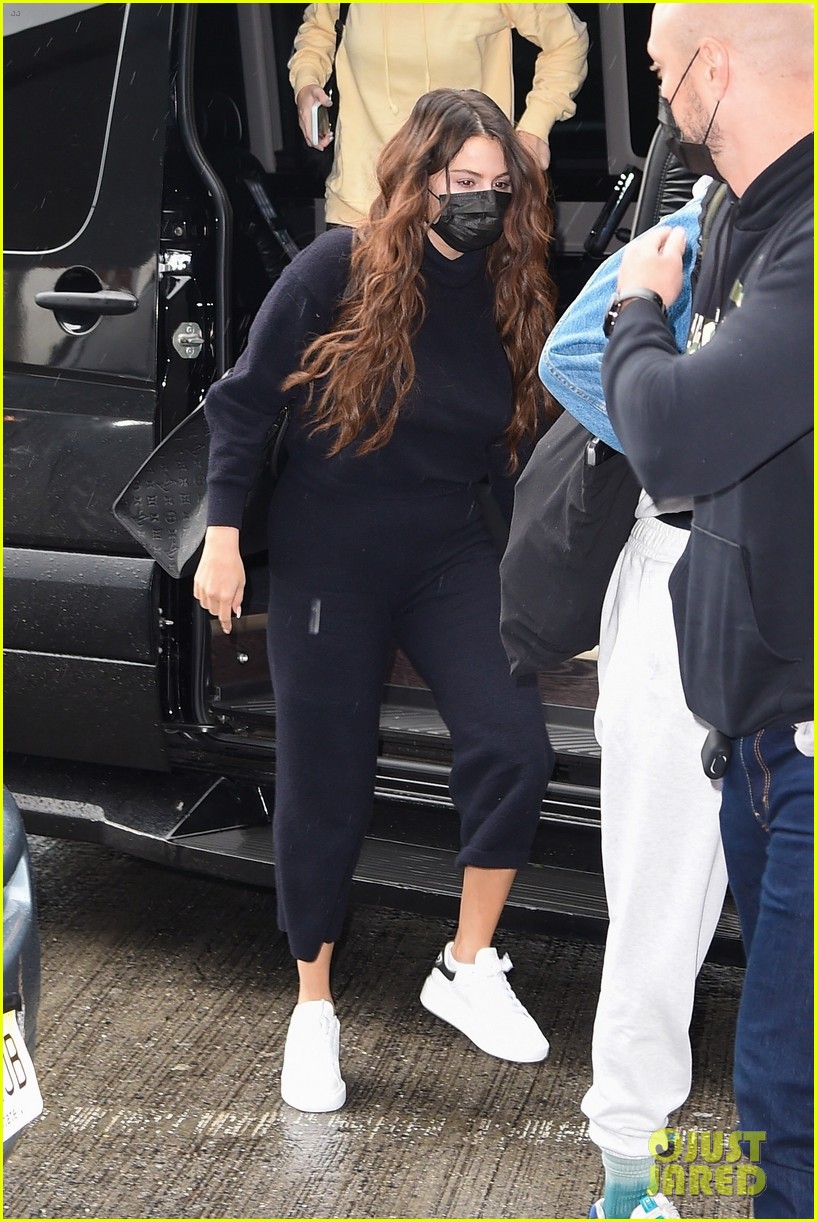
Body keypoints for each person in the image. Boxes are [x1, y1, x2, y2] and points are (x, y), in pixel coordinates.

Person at [194, 88, 559, 1114]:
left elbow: (519, 446)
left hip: (446, 550)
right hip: (330, 554)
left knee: (514, 741)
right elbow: (246, 396)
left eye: (498, 186)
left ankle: (466, 962)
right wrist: (223, 536)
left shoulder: (509, 292)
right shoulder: (336, 269)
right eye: (462, 183)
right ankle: (313, 1010)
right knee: (326, 779)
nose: (481, 202)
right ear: (419, 177)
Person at [599, 6, 813, 1218]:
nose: (659, 100)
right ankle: (629, 1178)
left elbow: (669, 440)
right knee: (751, 1062)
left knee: (785, 1109)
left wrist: (639, 312)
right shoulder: (732, 215)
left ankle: (628, 1181)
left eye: (661, 72)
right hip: (737, 724)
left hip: (794, 737)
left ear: (714, 68)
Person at [538, 179, 728, 1221]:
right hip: (686, 573)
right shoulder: (703, 226)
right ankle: (629, 1181)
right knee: (663, 891)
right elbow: (570, 355)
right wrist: (699, 445)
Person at [289, 3, 588, 224]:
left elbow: (567, 41)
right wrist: (306, 82)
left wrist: (535, 127)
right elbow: (319, 30)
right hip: (361, 205)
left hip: (466, 205)